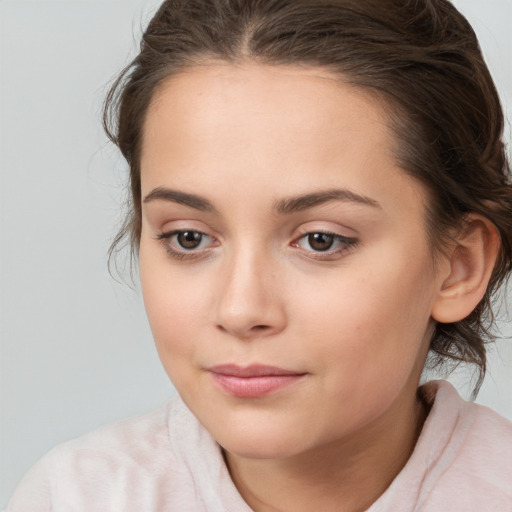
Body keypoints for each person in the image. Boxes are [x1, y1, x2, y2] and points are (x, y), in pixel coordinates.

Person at [7, 0, 512, 510]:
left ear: (458, 266)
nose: (241, 310)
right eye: (189, 237)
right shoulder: (73, 497)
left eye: (321, 240)